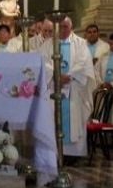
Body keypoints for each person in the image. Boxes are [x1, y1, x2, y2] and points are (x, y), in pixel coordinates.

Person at [40, 16, 95, 158]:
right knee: (52, 118)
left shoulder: (81, 44)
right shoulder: (48, 44)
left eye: (66, 27)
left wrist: (69, 76)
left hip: (74, 88)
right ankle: (55, 152)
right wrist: (55, 74)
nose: (63, 30)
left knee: (74, 119)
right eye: (60, 27)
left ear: (71, 28)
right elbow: (43, 62)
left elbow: (83, 63)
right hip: (54, 88)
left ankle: (73, 154)